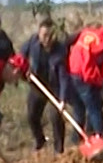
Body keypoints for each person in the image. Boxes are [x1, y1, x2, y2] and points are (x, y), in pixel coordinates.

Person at [20, 18, 68, 153]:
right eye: (43, 35)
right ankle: (40, 140)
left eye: (49, 35)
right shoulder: (32, 42)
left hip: (54, 87)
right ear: (39, 34)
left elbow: (63, 76)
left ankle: (59, 149)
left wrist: (62, 99)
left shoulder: (60, 50)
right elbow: (21, 57)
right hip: (37, 84)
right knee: (32, 115)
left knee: (55, 117)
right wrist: (25, 70)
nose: (46, 39)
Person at [66, 22, 103, 140]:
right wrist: (98, 81)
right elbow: (94, 63)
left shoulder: (86, 32)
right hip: (84, 75)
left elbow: (68, 42)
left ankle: (76, 140)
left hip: (73, 70)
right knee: (94, 107)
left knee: (79, 109)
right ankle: (100, 136)